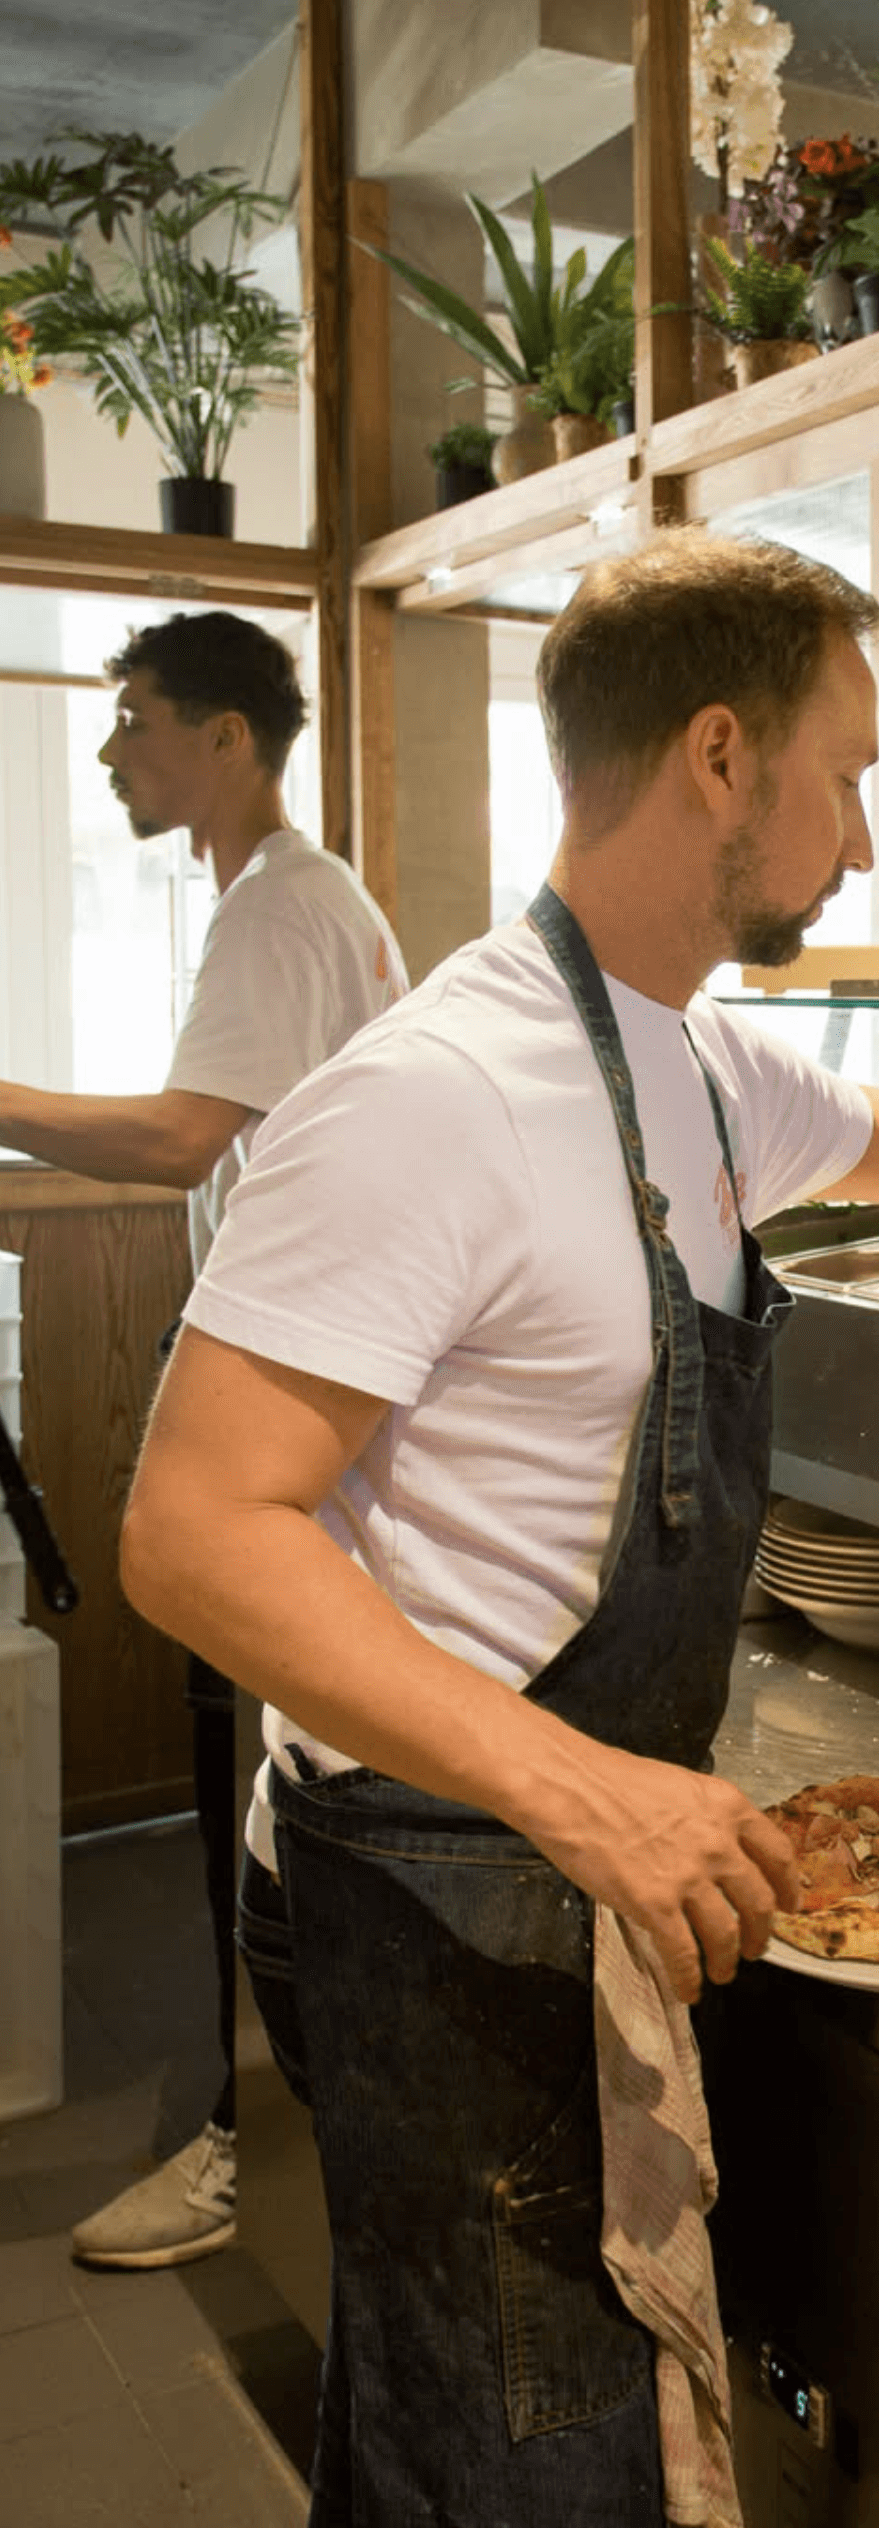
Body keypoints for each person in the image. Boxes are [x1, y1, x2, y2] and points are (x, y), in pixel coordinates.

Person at [118, 529, 879, 2523]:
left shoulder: (681, 1053)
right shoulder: (437, 1094)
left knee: (504, 2451)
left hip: (565, 1873)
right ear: (725, 760)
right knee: (515, 2474)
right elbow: (194, 1532)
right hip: (438, 1901)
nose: (860, 827)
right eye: (845, 769)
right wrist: (586, 1795)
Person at [0, 610, 409, 2271]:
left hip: (300, 1388)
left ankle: (257, 2143)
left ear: (228, 737)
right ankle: (293, 2131)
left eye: (139, 721)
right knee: (275, 1767)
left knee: (269, 1772)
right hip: (323, 1370)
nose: (111, 751)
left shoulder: (281, 905)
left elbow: (179, 1143)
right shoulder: (296, 903)